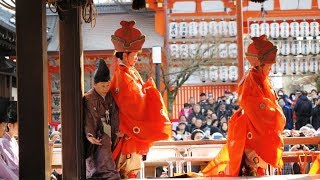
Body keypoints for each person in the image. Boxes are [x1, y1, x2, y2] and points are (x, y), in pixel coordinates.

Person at [202, 35, 285, 176]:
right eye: (269, 66)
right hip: (251, 128)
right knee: (249, 168)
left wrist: (274, 110)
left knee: (255, 170)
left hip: (254, 126)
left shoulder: (261, 79)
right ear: (260, 64)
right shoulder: (252, 79)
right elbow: (254, 104)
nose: (271, 69)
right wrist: (276, 112)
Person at [110, 20, 171, 178]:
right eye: (135, 55)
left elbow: (136, 96)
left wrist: (147, 90)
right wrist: (149, 92)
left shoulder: (128, 72)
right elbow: (131, 104)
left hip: (129, 131)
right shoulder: (122, 75)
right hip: (128, 132)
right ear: (125, 54)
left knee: (130, 170)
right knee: (126, 171)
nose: (137, 58)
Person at [83, 59, 120, 179]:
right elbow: (89, 117)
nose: (105, 88)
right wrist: (90, 135)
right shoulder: (89, 98)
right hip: (97, 130)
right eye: (102, 85)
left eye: (108, 85)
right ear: (94, 84)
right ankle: (108, 174)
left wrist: (117, 129)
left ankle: (109, 172)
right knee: (103, 141)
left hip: (109, 128)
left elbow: (115, 114)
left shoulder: (110, 95)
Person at [0, 98, 18, 179]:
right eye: (4, 125)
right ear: (10, 125)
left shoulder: (13, 140)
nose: (5, 128)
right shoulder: (3, 142)